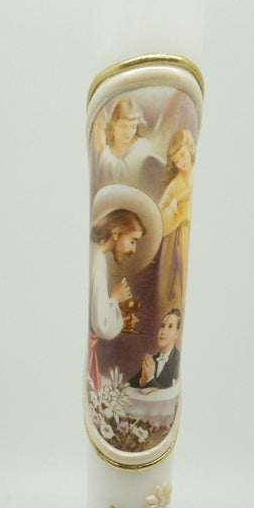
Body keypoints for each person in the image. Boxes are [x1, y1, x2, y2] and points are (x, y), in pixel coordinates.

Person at [89, 208, 145, 341]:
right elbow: (102, 326)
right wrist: (115, 298)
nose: (134, 250)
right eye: (132, 241)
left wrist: (121, 321)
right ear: (115, 234)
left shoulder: (93, 252)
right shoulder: (97, 260)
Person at [157, 129, 195, 309]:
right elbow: (160, 216)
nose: (181, 163)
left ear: (189, 149)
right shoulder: (174, 186)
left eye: (182, 155)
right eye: (176, 160)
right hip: (180, 239)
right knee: (176, 287)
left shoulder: (196, 175)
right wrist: (176, 201)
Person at [95, 98, 160, 190]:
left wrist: (103, 149)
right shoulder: (108, 144)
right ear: (114, 124)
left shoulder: (142, 146)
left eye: (133, 127)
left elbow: (125, 177)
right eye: (123, 126)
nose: (128, 132)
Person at [129, 309, 182, 389]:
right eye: (162, 326)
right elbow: (130, 384)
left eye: (170, 327)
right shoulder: (152, 360)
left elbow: (168, 393)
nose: (163, 331)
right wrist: (142, 381)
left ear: (176, 334)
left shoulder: (178, 360)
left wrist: (150, 379)